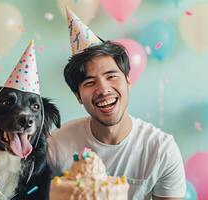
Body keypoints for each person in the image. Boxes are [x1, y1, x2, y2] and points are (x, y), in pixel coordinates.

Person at [47, 8, 186, 200]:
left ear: (128, 80)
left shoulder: (161, 150)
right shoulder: (55, 146)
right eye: (89, 82)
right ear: (78, 96)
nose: (103, 89)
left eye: (111, 76)